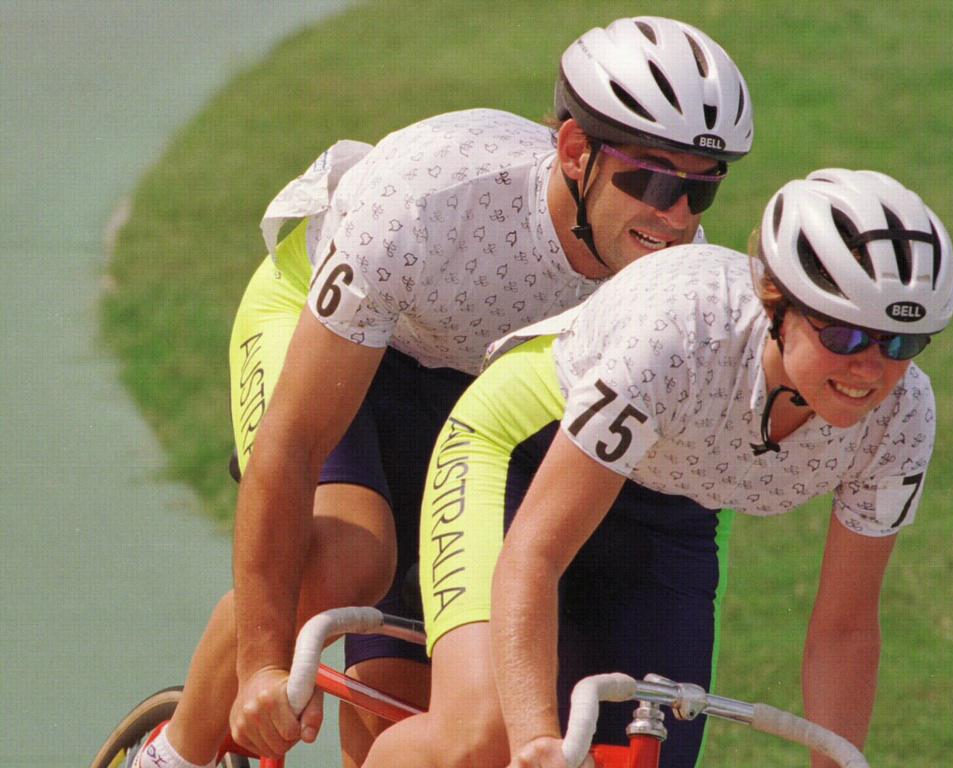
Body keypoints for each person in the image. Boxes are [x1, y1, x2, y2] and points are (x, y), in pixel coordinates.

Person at [132, 16, 754, 768]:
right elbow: (292, 446)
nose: (677, 217)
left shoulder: (676, 288)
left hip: (483, 401)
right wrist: (263, 665)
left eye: (702, 191)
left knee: (404, 725)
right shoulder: (431, 197)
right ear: (573, 152)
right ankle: (172, 755)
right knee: (344, 561)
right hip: (336, 335)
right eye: (652, 180)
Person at [361, 169, 953, 768]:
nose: (870, 371)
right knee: (483, 738)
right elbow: (534, 554)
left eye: (902, 343)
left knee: (645, 755)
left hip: (668, 510)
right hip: (525, 455)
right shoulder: (681, 339)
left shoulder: (902, 415)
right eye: (847, 335)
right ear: (778, 306)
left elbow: (845, 627)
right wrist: (535, 737)